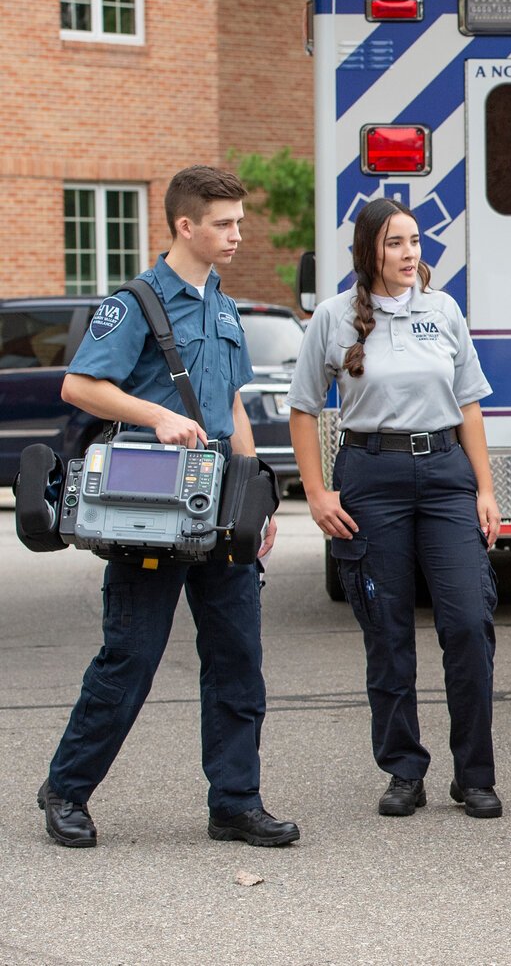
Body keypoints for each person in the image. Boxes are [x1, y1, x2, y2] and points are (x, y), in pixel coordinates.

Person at [39, 165, 299, 849]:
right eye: (225, 223)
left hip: (219, 509)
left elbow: (232, 404)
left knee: (238, 659)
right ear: (186, 226)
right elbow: (80, 385)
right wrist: (155, 414)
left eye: (239, 221)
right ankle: (66, 789)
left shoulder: (221, 304)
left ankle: (236, 802)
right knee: (130, 657)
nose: (238, 234)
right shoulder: (137, 302)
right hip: (153, 509)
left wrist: (255, 498)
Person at [287, 197, 503, 820]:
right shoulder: (331, 317)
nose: (411, 254)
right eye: (395, 244)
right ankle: (404, 769)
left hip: (444, 476)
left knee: (466, 622)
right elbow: (304, 409)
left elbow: (469, 405)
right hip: (370, 477)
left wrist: (485, 489)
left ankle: (475, 773)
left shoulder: (443, 311)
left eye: (415, 241)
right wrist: (318, 494)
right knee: (387, 631)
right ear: (368, 253)